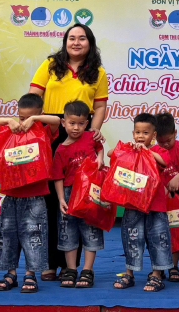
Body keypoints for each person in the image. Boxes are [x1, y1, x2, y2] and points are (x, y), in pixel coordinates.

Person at [28, 24, 108, 281]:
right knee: (51, 198)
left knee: (80, 198)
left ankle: (71, 266)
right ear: (65, 42)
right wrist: (39, 125)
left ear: (89, 43)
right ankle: (50, 262)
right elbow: (34, 96)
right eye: (71, 38)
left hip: (80, 132)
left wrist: (92, 132)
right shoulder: (51, 65)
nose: (76, 42)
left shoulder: (98, 72)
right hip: (51, 131)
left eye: (82, 38)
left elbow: (100, 106)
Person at [0, 93, 61, 294]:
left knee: (34, 234)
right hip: (11, 194)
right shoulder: (10, 128)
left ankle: (31, 274)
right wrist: (10, 121)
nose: (24, 122)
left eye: (30, 117)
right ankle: (10, 273)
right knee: (8, 235)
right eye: (22, 117)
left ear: (40, 114)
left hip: (35, 195)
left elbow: (56, 121)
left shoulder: (44, 130)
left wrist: (34, 120)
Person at [112, 113, 171, 293]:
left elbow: (164, 162)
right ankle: (129, 273)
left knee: (158, 239)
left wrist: (147, 151)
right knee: (131, 238)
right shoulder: (131, 149)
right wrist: (128, 148)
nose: (140, 136)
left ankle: (156, 275)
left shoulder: (159, 150)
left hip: (156, 205)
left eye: (145, 133)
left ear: (154, 135)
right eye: (137, 132)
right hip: (133, 204)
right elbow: (111, 153)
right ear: (133, 133)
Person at [53, 100, 105, 289]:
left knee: (90, 229)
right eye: (72, 123)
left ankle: (87, 270)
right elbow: (58, 177)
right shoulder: (60, 149)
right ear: (63, 122)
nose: (76, 128)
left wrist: (100, 159)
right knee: (68, 231)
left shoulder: (91, 137)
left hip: (90, 192)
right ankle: (71, 269)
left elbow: (100, 148)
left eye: (81, 123)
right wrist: (61, 199)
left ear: (87, 124)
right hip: (69, 194)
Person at [155, 112, 179, 283]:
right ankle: (159, 268)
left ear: (175, 133)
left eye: (168, 140)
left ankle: (173, 266)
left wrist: (177, 178)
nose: (165, 144)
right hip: (161, 198)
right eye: (161, 142)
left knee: (177, 232)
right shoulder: (153, 151)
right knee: (159, 233)